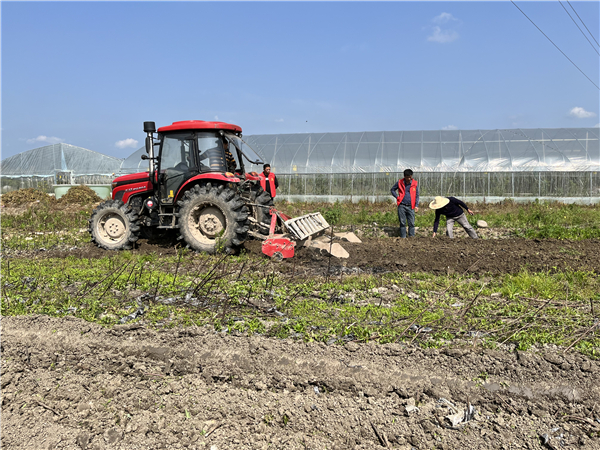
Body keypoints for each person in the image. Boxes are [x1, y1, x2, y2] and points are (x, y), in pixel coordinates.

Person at [390, 169, 419, 238]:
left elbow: (417, 195)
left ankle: (411, 237)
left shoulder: (414, 184)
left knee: (411, 223)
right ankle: (403, 238)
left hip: (411, 206)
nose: (408, 179)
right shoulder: (400, 182)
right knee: (402, 222)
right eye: (407, 177)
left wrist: (416, 205)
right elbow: (392, 190)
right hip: (402, 205)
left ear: (411, 176)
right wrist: (397, 197)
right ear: (404, 176)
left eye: (410, 177)